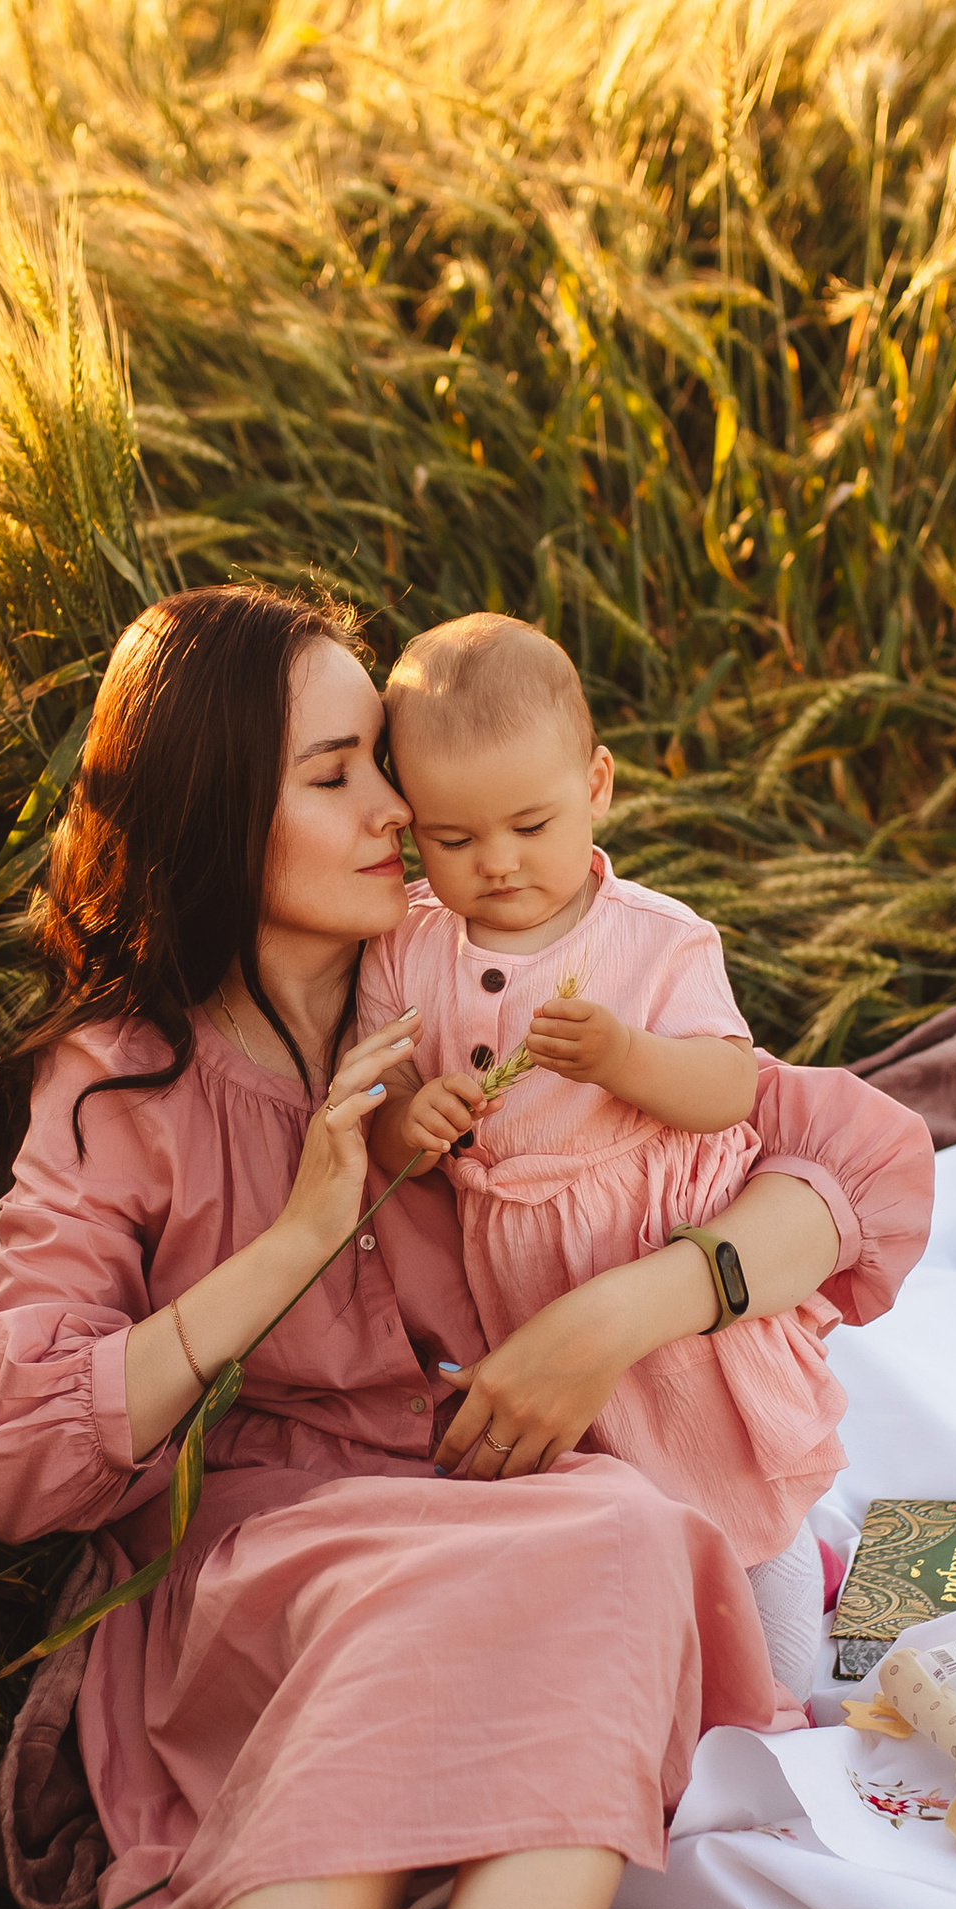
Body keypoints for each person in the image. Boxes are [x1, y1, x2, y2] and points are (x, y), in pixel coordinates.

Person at [0, 582, 933, 1909]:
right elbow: (12, 1446)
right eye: (339, 773)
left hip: (492, 1516)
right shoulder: (121, 1080)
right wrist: (300, 1233)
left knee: (616, 1533)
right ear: (225, 817)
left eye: (386, 761)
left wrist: (623, 1313)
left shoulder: (469, 967)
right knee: (558, 1560)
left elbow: (853, 1157)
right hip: (264, 1549)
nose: (400, 810)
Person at [364, 611, 839, 1711]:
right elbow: (378, 1109)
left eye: (531, 824)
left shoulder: (656, 938)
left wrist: (628, 1058)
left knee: (731, 1502)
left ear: (597, 786)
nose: (497, 863)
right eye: (450, 838)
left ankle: (789, 1636)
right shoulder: (408, 947)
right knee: (613, 1512)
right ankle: (674, 1667)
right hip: (521, 1283)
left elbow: (730, 1088)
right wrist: (409, 1123)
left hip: (658, 1268)